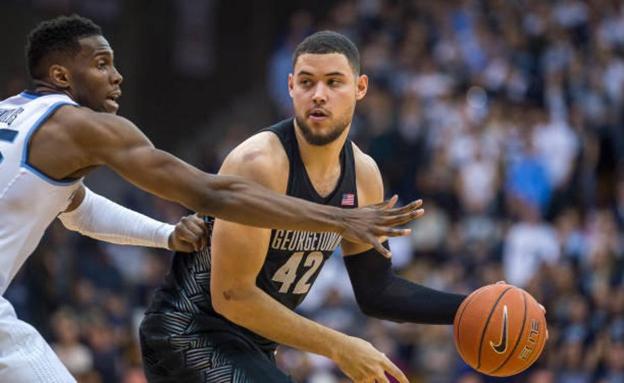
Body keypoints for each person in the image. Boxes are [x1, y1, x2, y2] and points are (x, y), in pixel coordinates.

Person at [0, 16, 424, 383]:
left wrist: (165, 235)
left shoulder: (15, 115)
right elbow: (212, 193)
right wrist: (337, 219)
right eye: (100, 64)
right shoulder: (77, 126)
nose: (117, 76)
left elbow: (78, 210)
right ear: (59, 76)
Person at [140, 31, 468, 383]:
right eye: (307, 82)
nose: (319, 95)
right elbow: (232, 296)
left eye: (334, 82)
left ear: (360, 88)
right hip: (187, 333)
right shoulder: (260, 163)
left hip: (254, 347)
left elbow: (377, 291)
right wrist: (339, 346)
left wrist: (470, 307)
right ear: (291, 87)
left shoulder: (363, 175)